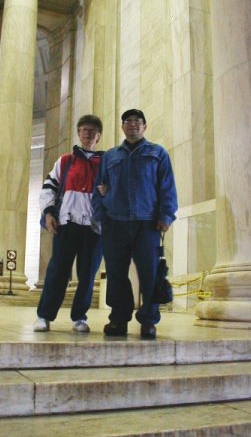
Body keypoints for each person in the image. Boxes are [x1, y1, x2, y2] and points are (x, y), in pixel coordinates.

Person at [92, 109, 178, 340]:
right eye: (128, 122)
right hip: (115, 223)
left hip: (147, 223)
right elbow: (98, 188)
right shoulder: (110, 157)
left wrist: (166, 215)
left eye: (137, 121)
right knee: (117, 274)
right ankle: (118, 319)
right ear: (122, 127)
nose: (133, 125)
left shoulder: (158, 153)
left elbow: (167, 187)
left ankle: (149, 321)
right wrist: (100, 215)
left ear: (145, 126)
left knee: (149, 274)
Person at [34, 114, 104, 333]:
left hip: (94, 229)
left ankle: (79, 318)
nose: (88, 133)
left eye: (93, 130)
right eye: (84, 129)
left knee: (87, 275)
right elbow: (49, 188)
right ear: (78, 132)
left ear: (99, 136)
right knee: (57, 272)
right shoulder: (65, 161)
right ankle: (44, 316)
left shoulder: (107, 163)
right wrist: (48, 213)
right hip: (67, 225)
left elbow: (116, 193)